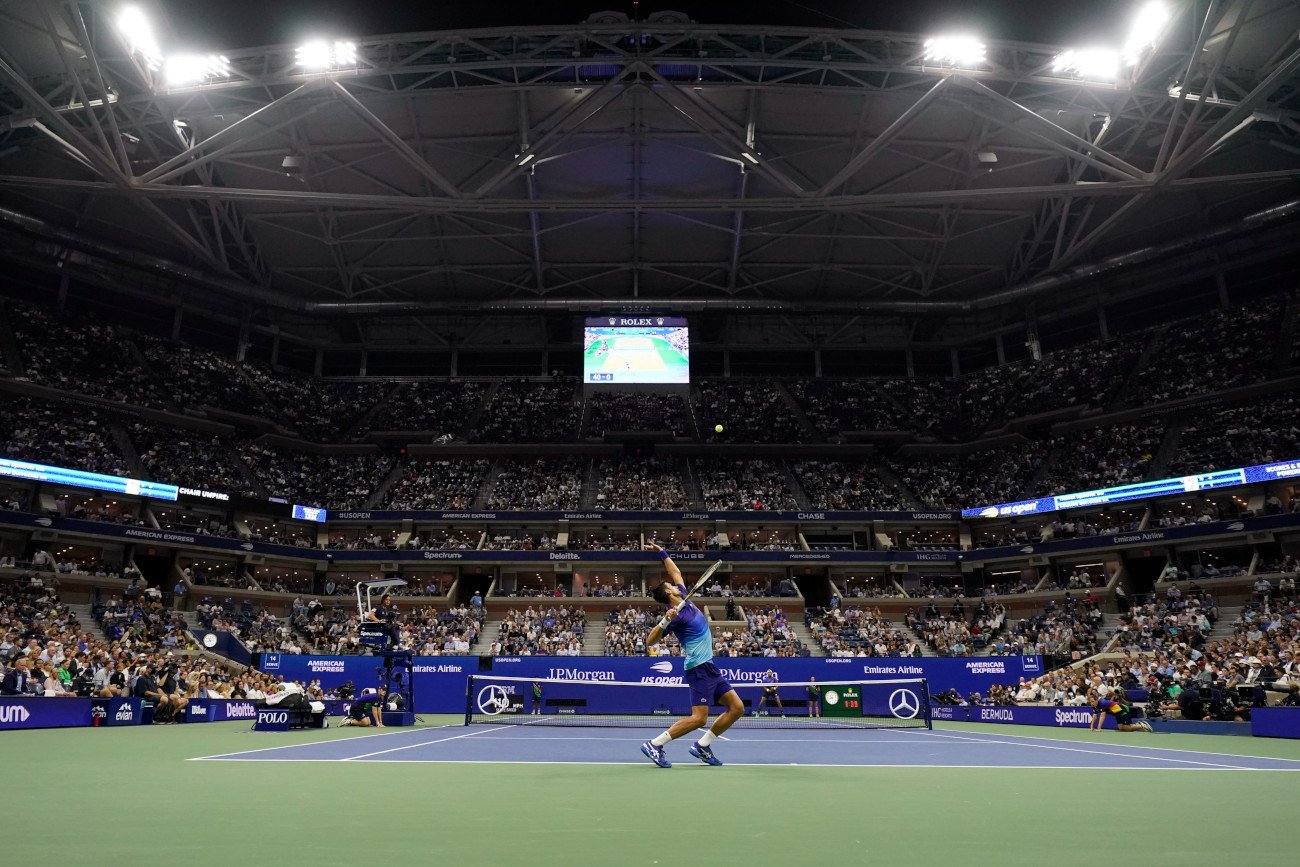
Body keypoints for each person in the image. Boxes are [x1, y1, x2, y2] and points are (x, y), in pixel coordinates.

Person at [640, 542, 744, 768]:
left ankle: (702, 746)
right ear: (669, 591)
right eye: (672, 585)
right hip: (697, 668)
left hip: (709, 666)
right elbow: (650, 642)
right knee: (699, 718)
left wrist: (661, 552)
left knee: (736, 708)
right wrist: (665, 620)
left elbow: (674, 571)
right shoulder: (674, 617)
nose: (677, 584)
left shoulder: (685, 596)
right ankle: (655, 744)